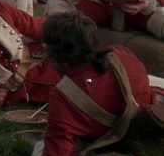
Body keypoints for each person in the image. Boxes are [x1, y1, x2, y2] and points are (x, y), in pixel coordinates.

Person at [34, 11, 164, 155]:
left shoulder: (63, 96)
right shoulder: (121, 53)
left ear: (57, 54)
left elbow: (57, 150)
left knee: (39, 148)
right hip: (151, 123)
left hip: (117, 142)